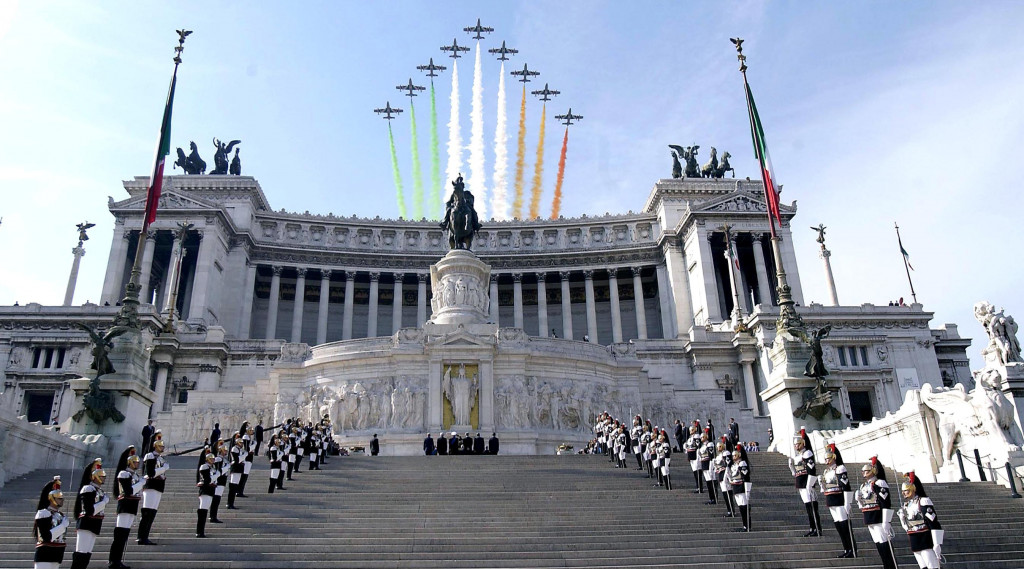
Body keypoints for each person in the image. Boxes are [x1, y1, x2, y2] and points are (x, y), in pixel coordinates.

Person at [857, 456, 898, 569]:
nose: (864, 473)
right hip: (869, 517)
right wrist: (859, 500)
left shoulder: (879, 483)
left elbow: (885, 503)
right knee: (879, 544)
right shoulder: (863, 486)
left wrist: (886, 520)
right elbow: (863, 505)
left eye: (867, 471)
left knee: (885, 544)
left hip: (878, 517)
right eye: (863, 471)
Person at [898, 472, 943, 569]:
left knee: (933, 566)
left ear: (913, 488)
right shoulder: (906, 505)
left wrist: (937, 543)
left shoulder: (923, 501)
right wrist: (902, 519)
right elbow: (907, 527)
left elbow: (933, 523)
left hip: (925, 539)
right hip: (914, 539)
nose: (903, 493)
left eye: (905, 490)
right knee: (923, 567)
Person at [109, 447, 143, 569]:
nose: (137, 464)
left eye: (138, 462)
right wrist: (141, 483)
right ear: (129, 462)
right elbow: (128, 491)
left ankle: (118, 560)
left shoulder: (135, 475)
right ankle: (114, 560)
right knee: (120, 534)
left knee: (125, 534)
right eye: (135, 462)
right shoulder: (124, 474)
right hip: (125, 506)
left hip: (133, 506)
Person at [821, 443, 857, 558]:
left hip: (839, 499)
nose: (827, 461)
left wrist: (847, 503)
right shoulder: (826, 472)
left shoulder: (840, 468)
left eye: (828, 458)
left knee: (844, 525)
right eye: (825, 459)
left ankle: (852, 548)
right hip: (831, 500)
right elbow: (825, 488)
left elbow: (846, 486)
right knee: (839, 526)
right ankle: (846, 548)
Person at [72, 458, 108, 569]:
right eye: (101, 476)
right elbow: (89, 510)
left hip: (95, 523)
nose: (103, 478)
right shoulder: (88, 488)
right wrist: (104, 502)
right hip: (86, 523)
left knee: (87, 554)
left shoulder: (100, 491)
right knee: (81, 553)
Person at [789, 428, 823, 537]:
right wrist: (791, 468)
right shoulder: (798, 456)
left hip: (807, 482)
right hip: (800, 482)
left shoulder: (807, 453)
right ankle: (812, 527)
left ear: (803, 443)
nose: (796, 446)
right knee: (808, 507)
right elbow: (796, 473)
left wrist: (809, 484)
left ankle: (817, 528)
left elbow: (811, 470)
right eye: (795, 445)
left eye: (798, 444)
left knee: (812, 506)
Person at [34, 475, 70, 569]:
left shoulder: (61, 515)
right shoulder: (43, 513)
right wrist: (62, 526)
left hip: (57, 554)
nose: (62, 500)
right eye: (59, 498)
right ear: (51, 498)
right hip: (45, 554)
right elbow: (46, 537)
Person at [137, 435, 167, 545]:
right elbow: (150, 473)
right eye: (160, 446)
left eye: (163, 446)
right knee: (147, 512)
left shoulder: (161, 458)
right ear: (155, 446)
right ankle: (141, 536)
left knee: (152, 512)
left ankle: (145, 535)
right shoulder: (150, 456)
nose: (162, 448)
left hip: (158, 486)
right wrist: (163, 468)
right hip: (151, 485)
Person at [727, 444, 752, 532]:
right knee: (740, 506)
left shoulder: (742, 463)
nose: (733, 457)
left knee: (744, 506)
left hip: (741, 486)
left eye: (735, 455)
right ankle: (744, 524)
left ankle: (747, 525)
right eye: (733, 455)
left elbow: (745, 475)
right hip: (735, 486)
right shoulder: (734, 465)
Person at [196, 452, 216, 538]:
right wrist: (217, 475)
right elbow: (207, 479)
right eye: (211, 458)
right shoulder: (205, 466)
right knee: (203, 511)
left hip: (210, 490)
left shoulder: (212, 467)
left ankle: (201, 530)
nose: (213, 460)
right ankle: (199, 531)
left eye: (213, 458)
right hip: (205, 490)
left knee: (205, 511)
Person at [684, 421, 702, 493]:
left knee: (697, 472)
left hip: (695, 455)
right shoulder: (690, 438)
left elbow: (698, 446)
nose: (690, 431)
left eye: (692, 430)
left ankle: (700, 487)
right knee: (695, 472)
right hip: (691, 455)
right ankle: (697, 486)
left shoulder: (696, 436)